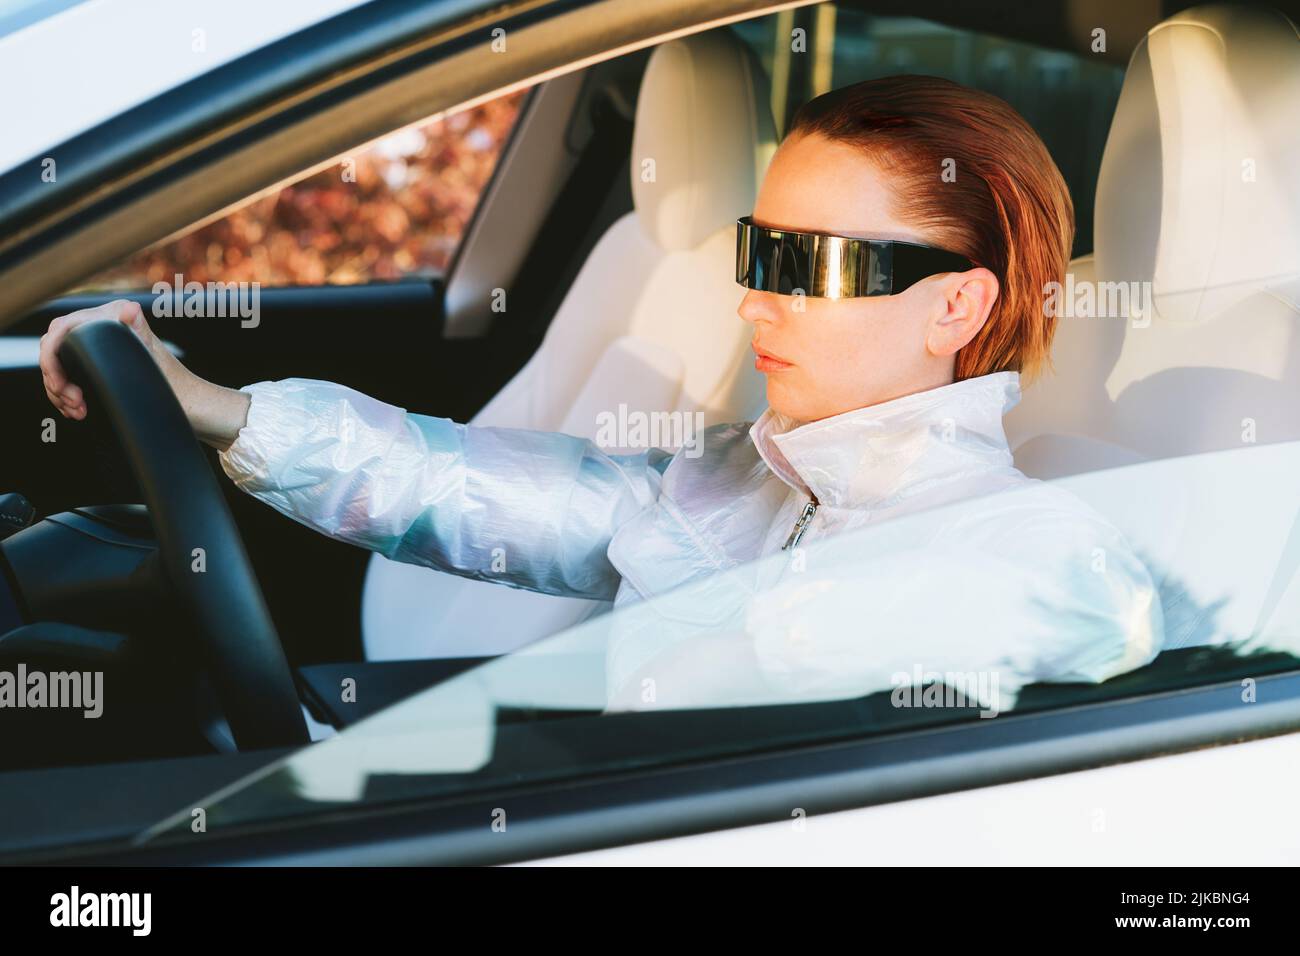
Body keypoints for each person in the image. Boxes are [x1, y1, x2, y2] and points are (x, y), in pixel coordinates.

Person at [39, 75, 1164, 713]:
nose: (753, 304)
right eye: (755, 255)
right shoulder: (742, 476)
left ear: (957, 308)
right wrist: (210, 403)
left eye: (810, 266)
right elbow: (465, 484)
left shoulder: (1031, 550)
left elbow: (1089, 611)